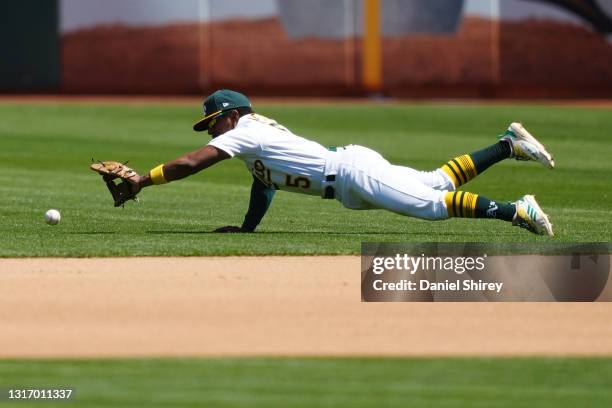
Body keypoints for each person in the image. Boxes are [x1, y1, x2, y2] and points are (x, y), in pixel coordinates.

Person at [129, 89, 555, 236]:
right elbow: (264, 183)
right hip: (350, 174)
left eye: (213, 123)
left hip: (352, 174)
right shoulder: (251, 136)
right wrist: (248, 228)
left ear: (232, 115)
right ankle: (508, 145)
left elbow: (191, 163)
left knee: (430, 205)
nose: (211, 132)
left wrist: (142, 181)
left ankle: (519, 211)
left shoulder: (247, 131)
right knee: (436, 183)